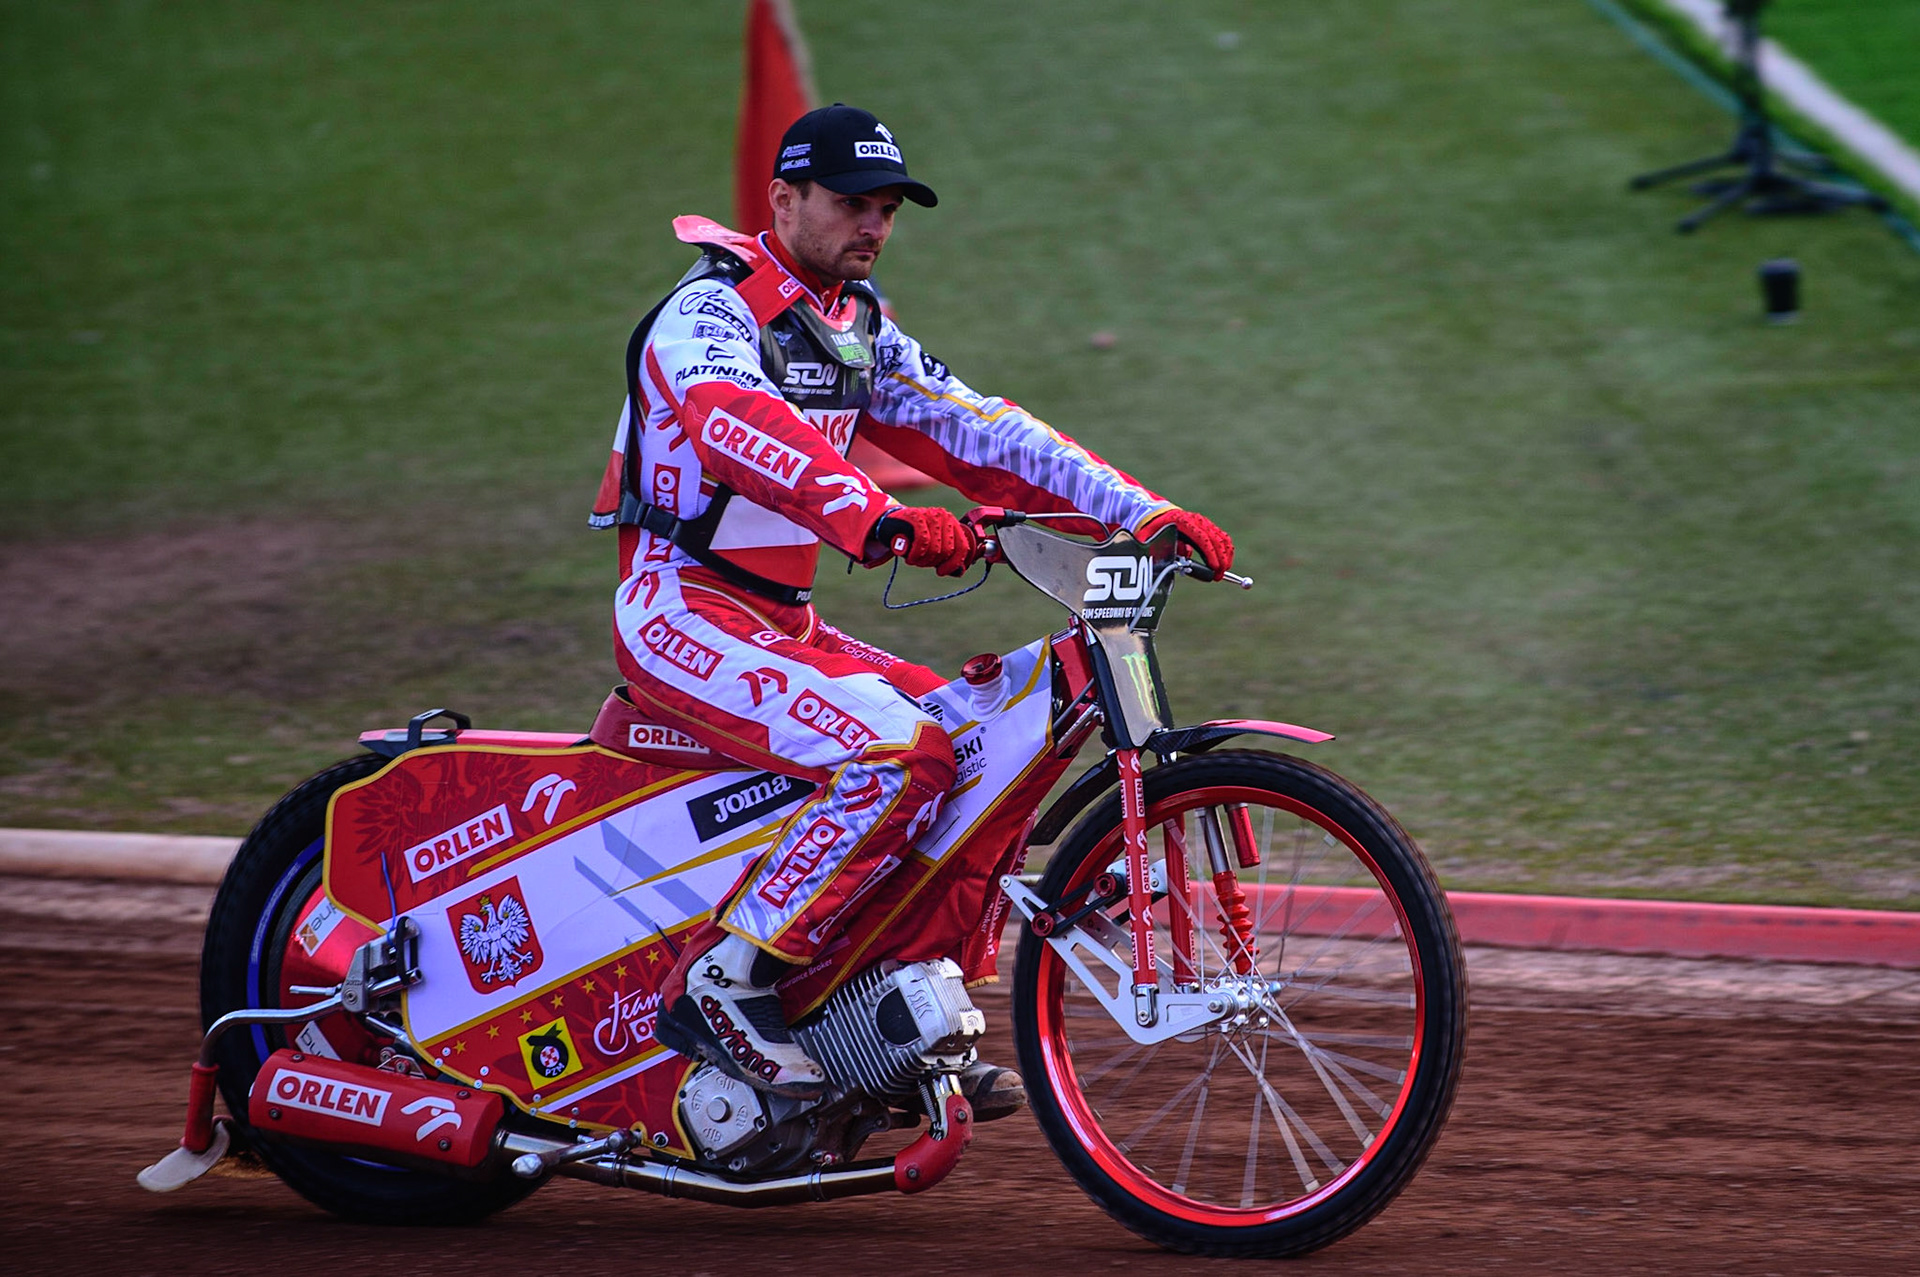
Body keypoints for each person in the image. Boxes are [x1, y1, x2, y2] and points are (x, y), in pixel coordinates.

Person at [591, 104, 1234, 1111]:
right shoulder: (708, 311)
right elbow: (733, 424)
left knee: (972, 748)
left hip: (780, 618)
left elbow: (981, 429)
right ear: (783, 200)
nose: (875, 226)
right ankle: (727, 982)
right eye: (853, 204)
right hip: (677, 607)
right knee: (900, 753)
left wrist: (1141, 509)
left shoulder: (857, 323)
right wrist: (880, 518)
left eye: (888, 208)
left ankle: (883, 1004)